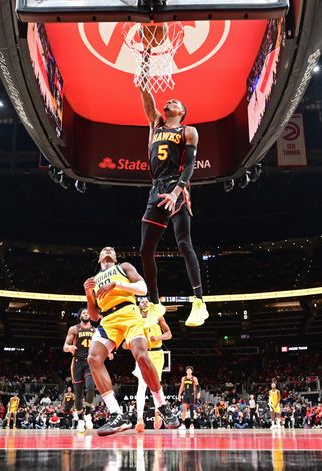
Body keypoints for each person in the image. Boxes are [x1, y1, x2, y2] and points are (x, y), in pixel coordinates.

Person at [83, 246, 180, 436]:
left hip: (129, 314)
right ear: (99, 258)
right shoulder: (93, 282)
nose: (109, 250)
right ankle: (117, 414)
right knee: (93, 359)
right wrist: (88, 295)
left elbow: (143, 288)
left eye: (111, 249)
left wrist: (117, 285)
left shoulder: (123, 267)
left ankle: (162, 405)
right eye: (104, 249)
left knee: (142, 357)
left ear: (116, 256)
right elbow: (94, 316)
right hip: (108, 321)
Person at [138, 84, 208, 329]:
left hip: (176, 187)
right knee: (146, 250)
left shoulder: (188, 130)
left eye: (176, 102)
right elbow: (146, 97)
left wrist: (176, 192)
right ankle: (155, 303)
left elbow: (189, 167)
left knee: (183, 243)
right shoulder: (156, 123)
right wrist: (144, 69)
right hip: (156, 187)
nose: (171, 101)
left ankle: (199, 302)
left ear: (182, 112)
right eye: (169, 101)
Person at [133, 297, 172, 433]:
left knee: (155, 386)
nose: (143, 302)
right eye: (141, 301)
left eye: (146, 300)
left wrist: (158, 338)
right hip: (142, 353)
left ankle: (157, 413)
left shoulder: (157, 315)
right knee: (142, 385)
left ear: (149, 303)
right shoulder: (135, 317)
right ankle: (139, 419)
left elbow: (169, 334)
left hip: (157, 354)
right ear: (138, 304)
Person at [63, 308, 97, 432]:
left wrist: (108, 352)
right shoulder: (74, 329)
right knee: (78, 394)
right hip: (77, 362)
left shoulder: (96, 330)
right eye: (83, 313)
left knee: (91, 387)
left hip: (89, 362)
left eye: (88, 312)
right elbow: (65, 346)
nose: (86, 314)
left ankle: (88, 414)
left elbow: (102, 345)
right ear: (80, 316)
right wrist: (69, 347)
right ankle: (81, 420)